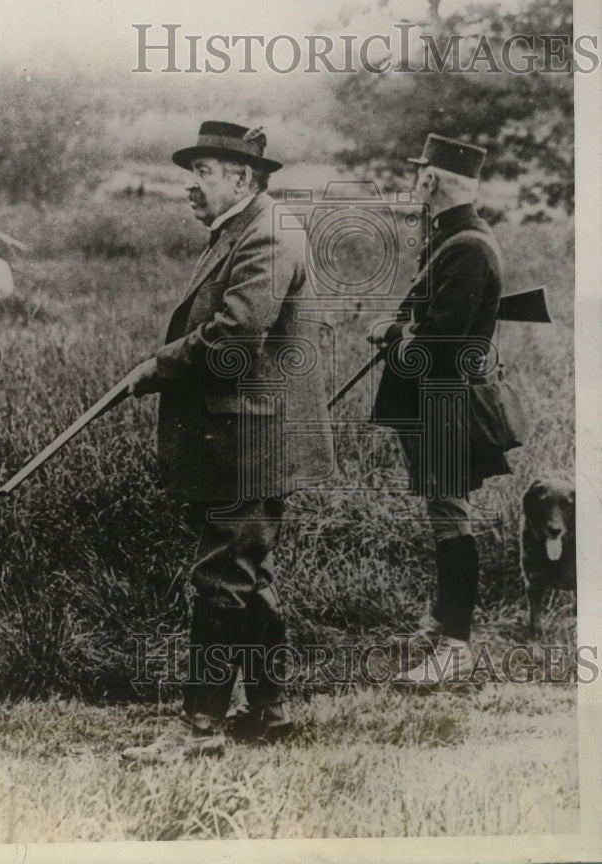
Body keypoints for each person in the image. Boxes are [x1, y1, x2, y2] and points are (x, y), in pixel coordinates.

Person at [123, 121, 334, 759]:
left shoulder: (267, 235)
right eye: (194, 172)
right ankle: (268, 714)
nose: (193, 185)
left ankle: (200, 729)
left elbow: (234, 336)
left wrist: (157, 367)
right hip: (240, 434)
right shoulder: (243, 230)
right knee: (246, 573)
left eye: (205, 172)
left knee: (222, 579)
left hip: (252, 438)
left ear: (243, 178)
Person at [369, 134, 507, 687]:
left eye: (420, 172)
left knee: (451, 518)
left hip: (447, 402)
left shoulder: (466, 245)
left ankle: (455, 647)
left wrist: (396, 331)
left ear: (431, 181)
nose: (415, 180)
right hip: (435, 401)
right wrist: (400, 323)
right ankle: (440, 625)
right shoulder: (453, 237)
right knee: (442, 513)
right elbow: (428, 312)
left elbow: (441, 340)